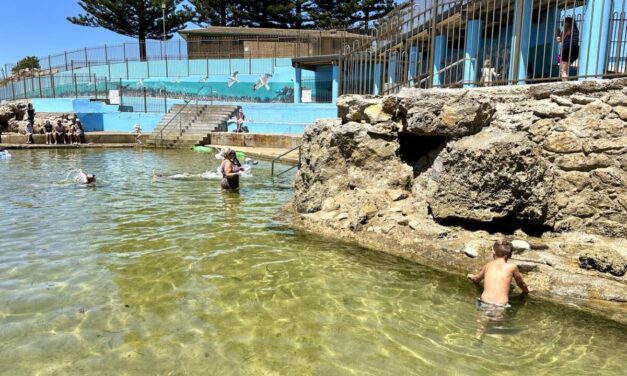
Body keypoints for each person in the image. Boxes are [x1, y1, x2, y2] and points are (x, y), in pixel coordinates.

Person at [467, 240, 529, 308]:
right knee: (497, 318)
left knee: (482, 318)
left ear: (493, 253)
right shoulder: (512, 267)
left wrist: (471, 276)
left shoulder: (488, 265)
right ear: (510, 255)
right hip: (500, 304)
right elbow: (521, 283)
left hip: (484, 301)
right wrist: (526, 290)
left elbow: (476, 279)